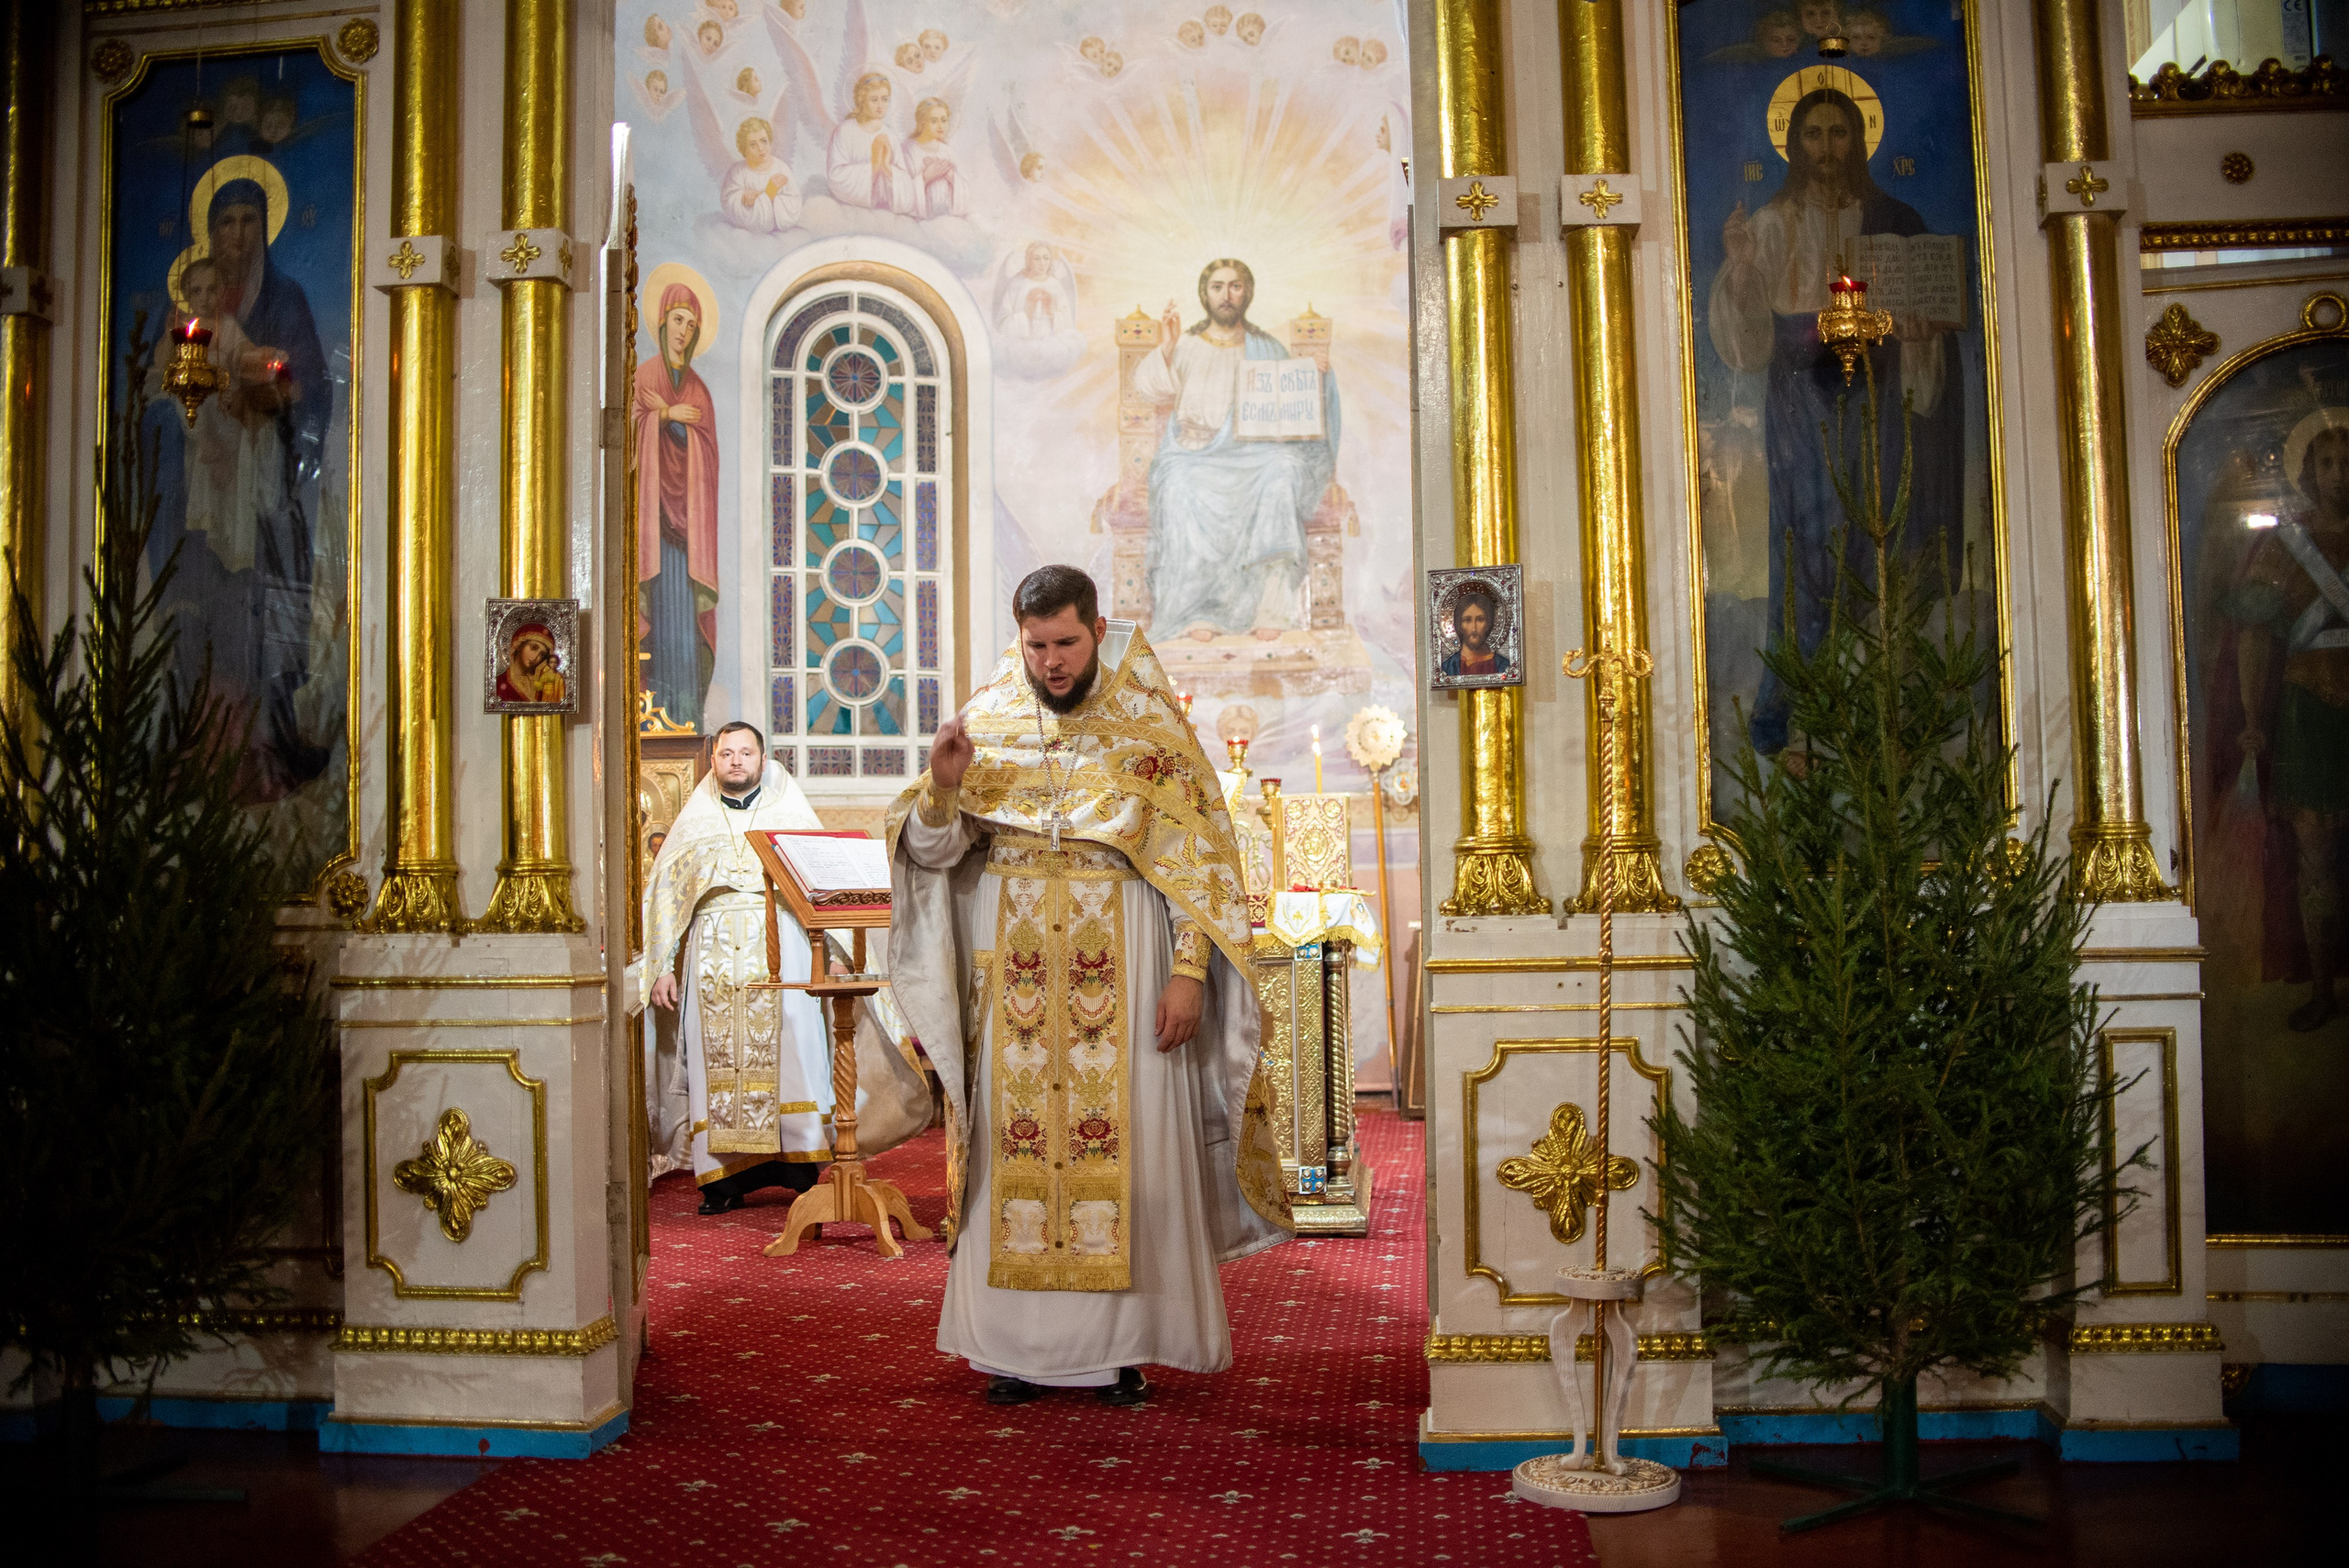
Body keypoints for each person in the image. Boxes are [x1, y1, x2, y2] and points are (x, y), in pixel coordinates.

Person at [885, 565, 1290, 1407]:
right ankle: (1016, 1349)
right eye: (1036, 646)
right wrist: (945, 785)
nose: (1051, 662)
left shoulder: (1151, 727)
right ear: (1019, 637)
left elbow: (1198, 867)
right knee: (1015, 1147)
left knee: (1132, 1145)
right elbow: (930, 859)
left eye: (1066, 642)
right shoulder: (988, 721)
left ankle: (1124, 1346)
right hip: (1019, 983)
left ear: (1098, 630)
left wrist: (1189, 972)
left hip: (1127, 960)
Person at [1707, 86, 1963, 757]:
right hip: (1801, 412)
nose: (1827, 149)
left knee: (1877, 538)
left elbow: (1929, 325)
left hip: (1879, 410)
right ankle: (1794, 708)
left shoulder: (1895, 221)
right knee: (1809, 548)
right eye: (1814, 135)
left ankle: (1880, 714)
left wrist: (1919, 335)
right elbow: (1746, 344)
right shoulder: (1768, 225)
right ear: (1794, 144)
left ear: (1858, 140)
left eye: (1839, 134)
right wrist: (1739, 272)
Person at [637, 723, 930, 1211]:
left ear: (762, 758)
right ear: (712, 759)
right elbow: (666, 901)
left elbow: (823, 884)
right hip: (712, 956)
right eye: (726, 753)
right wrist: (662, 967)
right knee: (719, 1064)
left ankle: (799, 1166)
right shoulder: (694, 822)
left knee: (796, 1050)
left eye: (744, 752)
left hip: (787, 948)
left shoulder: (789, 811)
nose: (735, 761)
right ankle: (721, 1182)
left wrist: (838, 955)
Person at [143, 175, 331, 804]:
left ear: (265, 231)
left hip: (264, 488)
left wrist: (266, 393)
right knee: (199, 608)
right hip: (198, 494)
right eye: (226, 222)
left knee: (264, 613)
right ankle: (194, 745)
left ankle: (271, 745)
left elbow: (308, 392)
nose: (237, 234)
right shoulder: (185, 321)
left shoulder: (285, 300)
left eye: (250, 220)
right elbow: (154, 394)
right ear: (209, 233)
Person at [1130, 258, 1340, 640]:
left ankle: (1269, 610)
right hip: (1194, 453)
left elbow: (1292, 400)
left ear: (1248, 293)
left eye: (1235, 286)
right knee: (1178, 484)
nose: (1226, 295)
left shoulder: (1266, 348)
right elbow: (1147, 387)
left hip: (1253, 457)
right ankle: (1196, 613)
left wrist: (1313, 373)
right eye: (1217, 286)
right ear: (1204, 294)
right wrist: (1167, 346)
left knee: (1282, 469)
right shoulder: (1187, 345)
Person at [2222, 421, 2349, 1030]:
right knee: (2317, 859)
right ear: (2310, 472)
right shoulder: (2285, 545)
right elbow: (2252, 631)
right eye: (2328, 462)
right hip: (2308, 711)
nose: (2340, 474)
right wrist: (2251, 717)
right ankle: (2324, 991)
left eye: (2348, 460)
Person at [633, 282, 720, 729]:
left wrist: (679, 422)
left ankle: (686, 719)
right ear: (663, 320)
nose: (684, 331)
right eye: (679, 320)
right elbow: (629, 430)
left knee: (685, 634)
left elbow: (707, 456)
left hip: (687, 536)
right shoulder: (644, 376)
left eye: (693, 324)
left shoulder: (699, 390)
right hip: (652, 527)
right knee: (656, 625)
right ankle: (651, 720)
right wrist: (663, 417)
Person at [826, 72, 918, 213]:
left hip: (885, 210)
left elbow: (906, 185)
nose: (880, 105)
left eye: (885, 99)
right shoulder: (845, 131)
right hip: (851, 209)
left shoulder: (890, 136)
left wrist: (887, 169)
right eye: (874, 100)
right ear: (862, 100)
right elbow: (836, 176)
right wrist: (875, 166)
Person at [720, 117, 802, 232]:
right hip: (747, 235)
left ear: (769, 141)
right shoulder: (737, 172)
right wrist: (743, 197)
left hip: (779, 233)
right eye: (753, 144)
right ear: (744, 149)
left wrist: (771, 198)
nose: (760, 148)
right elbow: (728, 201)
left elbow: (795, 202)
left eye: (764, 141)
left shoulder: (781, 168)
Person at [905, 98, 967, 219]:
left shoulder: (948, 152)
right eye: (934, 121)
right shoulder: (908, 150)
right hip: (918, 222)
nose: (941, 126)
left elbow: (967, 193)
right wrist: (925, 177)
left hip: (947, 220)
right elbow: (900, 194)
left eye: (944, 120)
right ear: (922, 123)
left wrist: (950, 176)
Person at [1439, 584, 1510, 679]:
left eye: (1480, 620)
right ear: (1458, 624)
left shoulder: (1503, 666)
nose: (1474, 629)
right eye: (1467, 620)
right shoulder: (1447, 668)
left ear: (1489, 623)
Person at [495, 622, 566, 705]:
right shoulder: (500, 682)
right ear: (518, 644)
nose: (535, 657)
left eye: (542, 654)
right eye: (533, 648)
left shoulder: (543, 682)